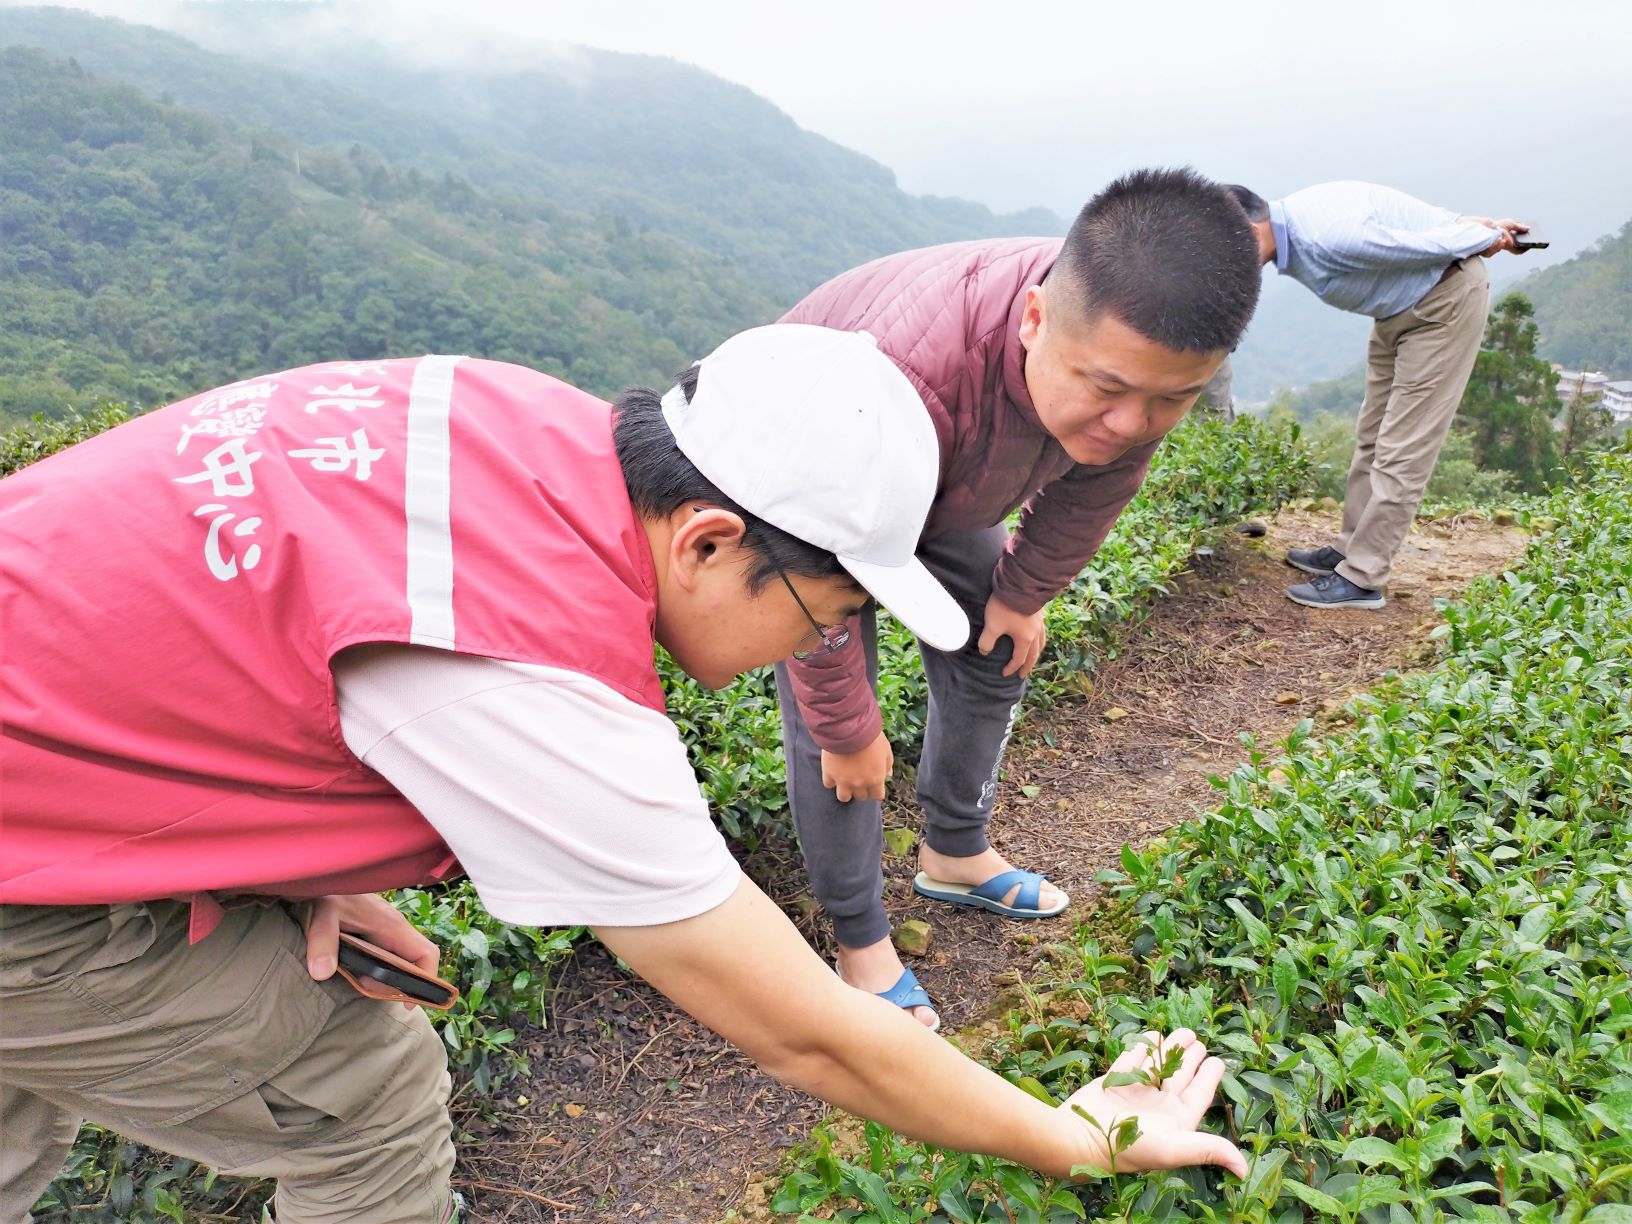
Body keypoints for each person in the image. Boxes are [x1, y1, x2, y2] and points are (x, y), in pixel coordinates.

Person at [0, 327, 1248, 1224]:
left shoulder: (510, 418)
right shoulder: (529, 669)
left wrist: (295, 869)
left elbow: (237, 624)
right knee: (361, 1092)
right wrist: (1075, 1140)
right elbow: (809, 1035)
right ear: (708, 539)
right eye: (824, 613)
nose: (817, 644)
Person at [774, 168, 1262, 1029]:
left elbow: (1096, 486)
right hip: (813, 500)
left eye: (1171, 399)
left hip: (950, 481)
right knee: (839, 734)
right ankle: (859, 940)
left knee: (998, 643)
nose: (1130, 423)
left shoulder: (1120, 345)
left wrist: (1023, 591)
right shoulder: (902, 376)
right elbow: (808, 563)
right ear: (1034, 318)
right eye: (1105, 389)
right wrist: (848, 728)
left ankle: (954, 854)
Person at [1222, 182, 1534, 610]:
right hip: (1396, 310)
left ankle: (1363, 576)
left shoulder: (1326, 234)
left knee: (1403, 448)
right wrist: (1470, 223)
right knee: (1371, 435)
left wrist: (1486, 236)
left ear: (1250, 230)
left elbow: (1421, 245)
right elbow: (1408, 217)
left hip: (1440, 307)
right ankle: (1349, 547)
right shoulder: (1302, 220)